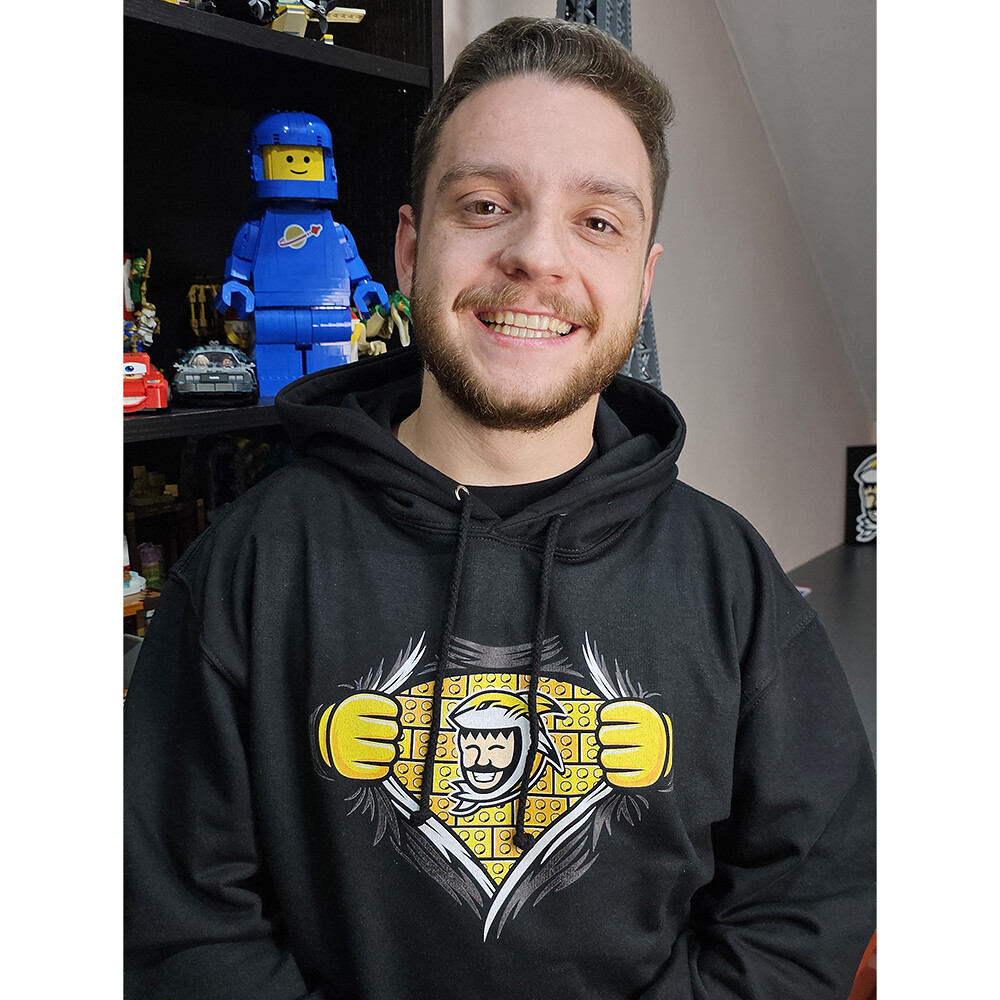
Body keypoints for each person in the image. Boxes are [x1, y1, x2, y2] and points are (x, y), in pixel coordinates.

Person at [124, 16, 876, 999]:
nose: (537, 256)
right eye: (485, 204)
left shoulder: (730, 579)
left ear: (642, 280)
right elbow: (179, 920)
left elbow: (809, 889)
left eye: (597, 222)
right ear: (407, 250)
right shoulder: (247, 567)